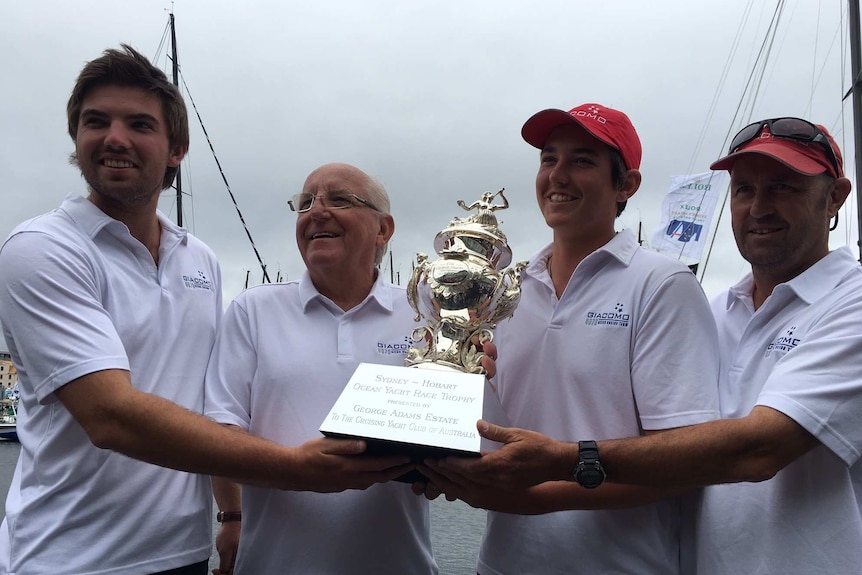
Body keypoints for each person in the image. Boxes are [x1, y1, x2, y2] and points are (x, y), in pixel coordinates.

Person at [0, 47, 409, 575]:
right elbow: (109, 415)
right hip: (67, 557)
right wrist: (295, 469)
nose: (115, 137)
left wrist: (231, 513)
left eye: (140, 124)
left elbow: (207, 399)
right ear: (77, 140)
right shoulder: (43, 248)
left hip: (182, 554)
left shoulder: (200, 260)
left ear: (176, 150)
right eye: (95, 121)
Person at [427, 117, 862, 574]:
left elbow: (756, 450)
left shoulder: (844, 304)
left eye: (783, 187)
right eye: (744, 190)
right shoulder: (719, 311)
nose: (758, 207)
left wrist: (553, 471)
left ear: (835, 197)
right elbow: (504, 427)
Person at [420, 103, 721, 574]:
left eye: (581, 160)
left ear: (626, 185)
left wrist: (534, 498)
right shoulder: (504, 293)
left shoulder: (661, 285)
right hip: (501, 564)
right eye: (548, 158)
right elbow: (498, 437)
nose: (557, 175)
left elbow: (687, 462)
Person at [204, 163, 443, 574]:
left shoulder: (425, 315)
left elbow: (448, 427)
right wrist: (233, 515)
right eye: (306, 202)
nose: (317, 211)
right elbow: (220, 431)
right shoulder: (252, 310)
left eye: (339, 199)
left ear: (383, 229)